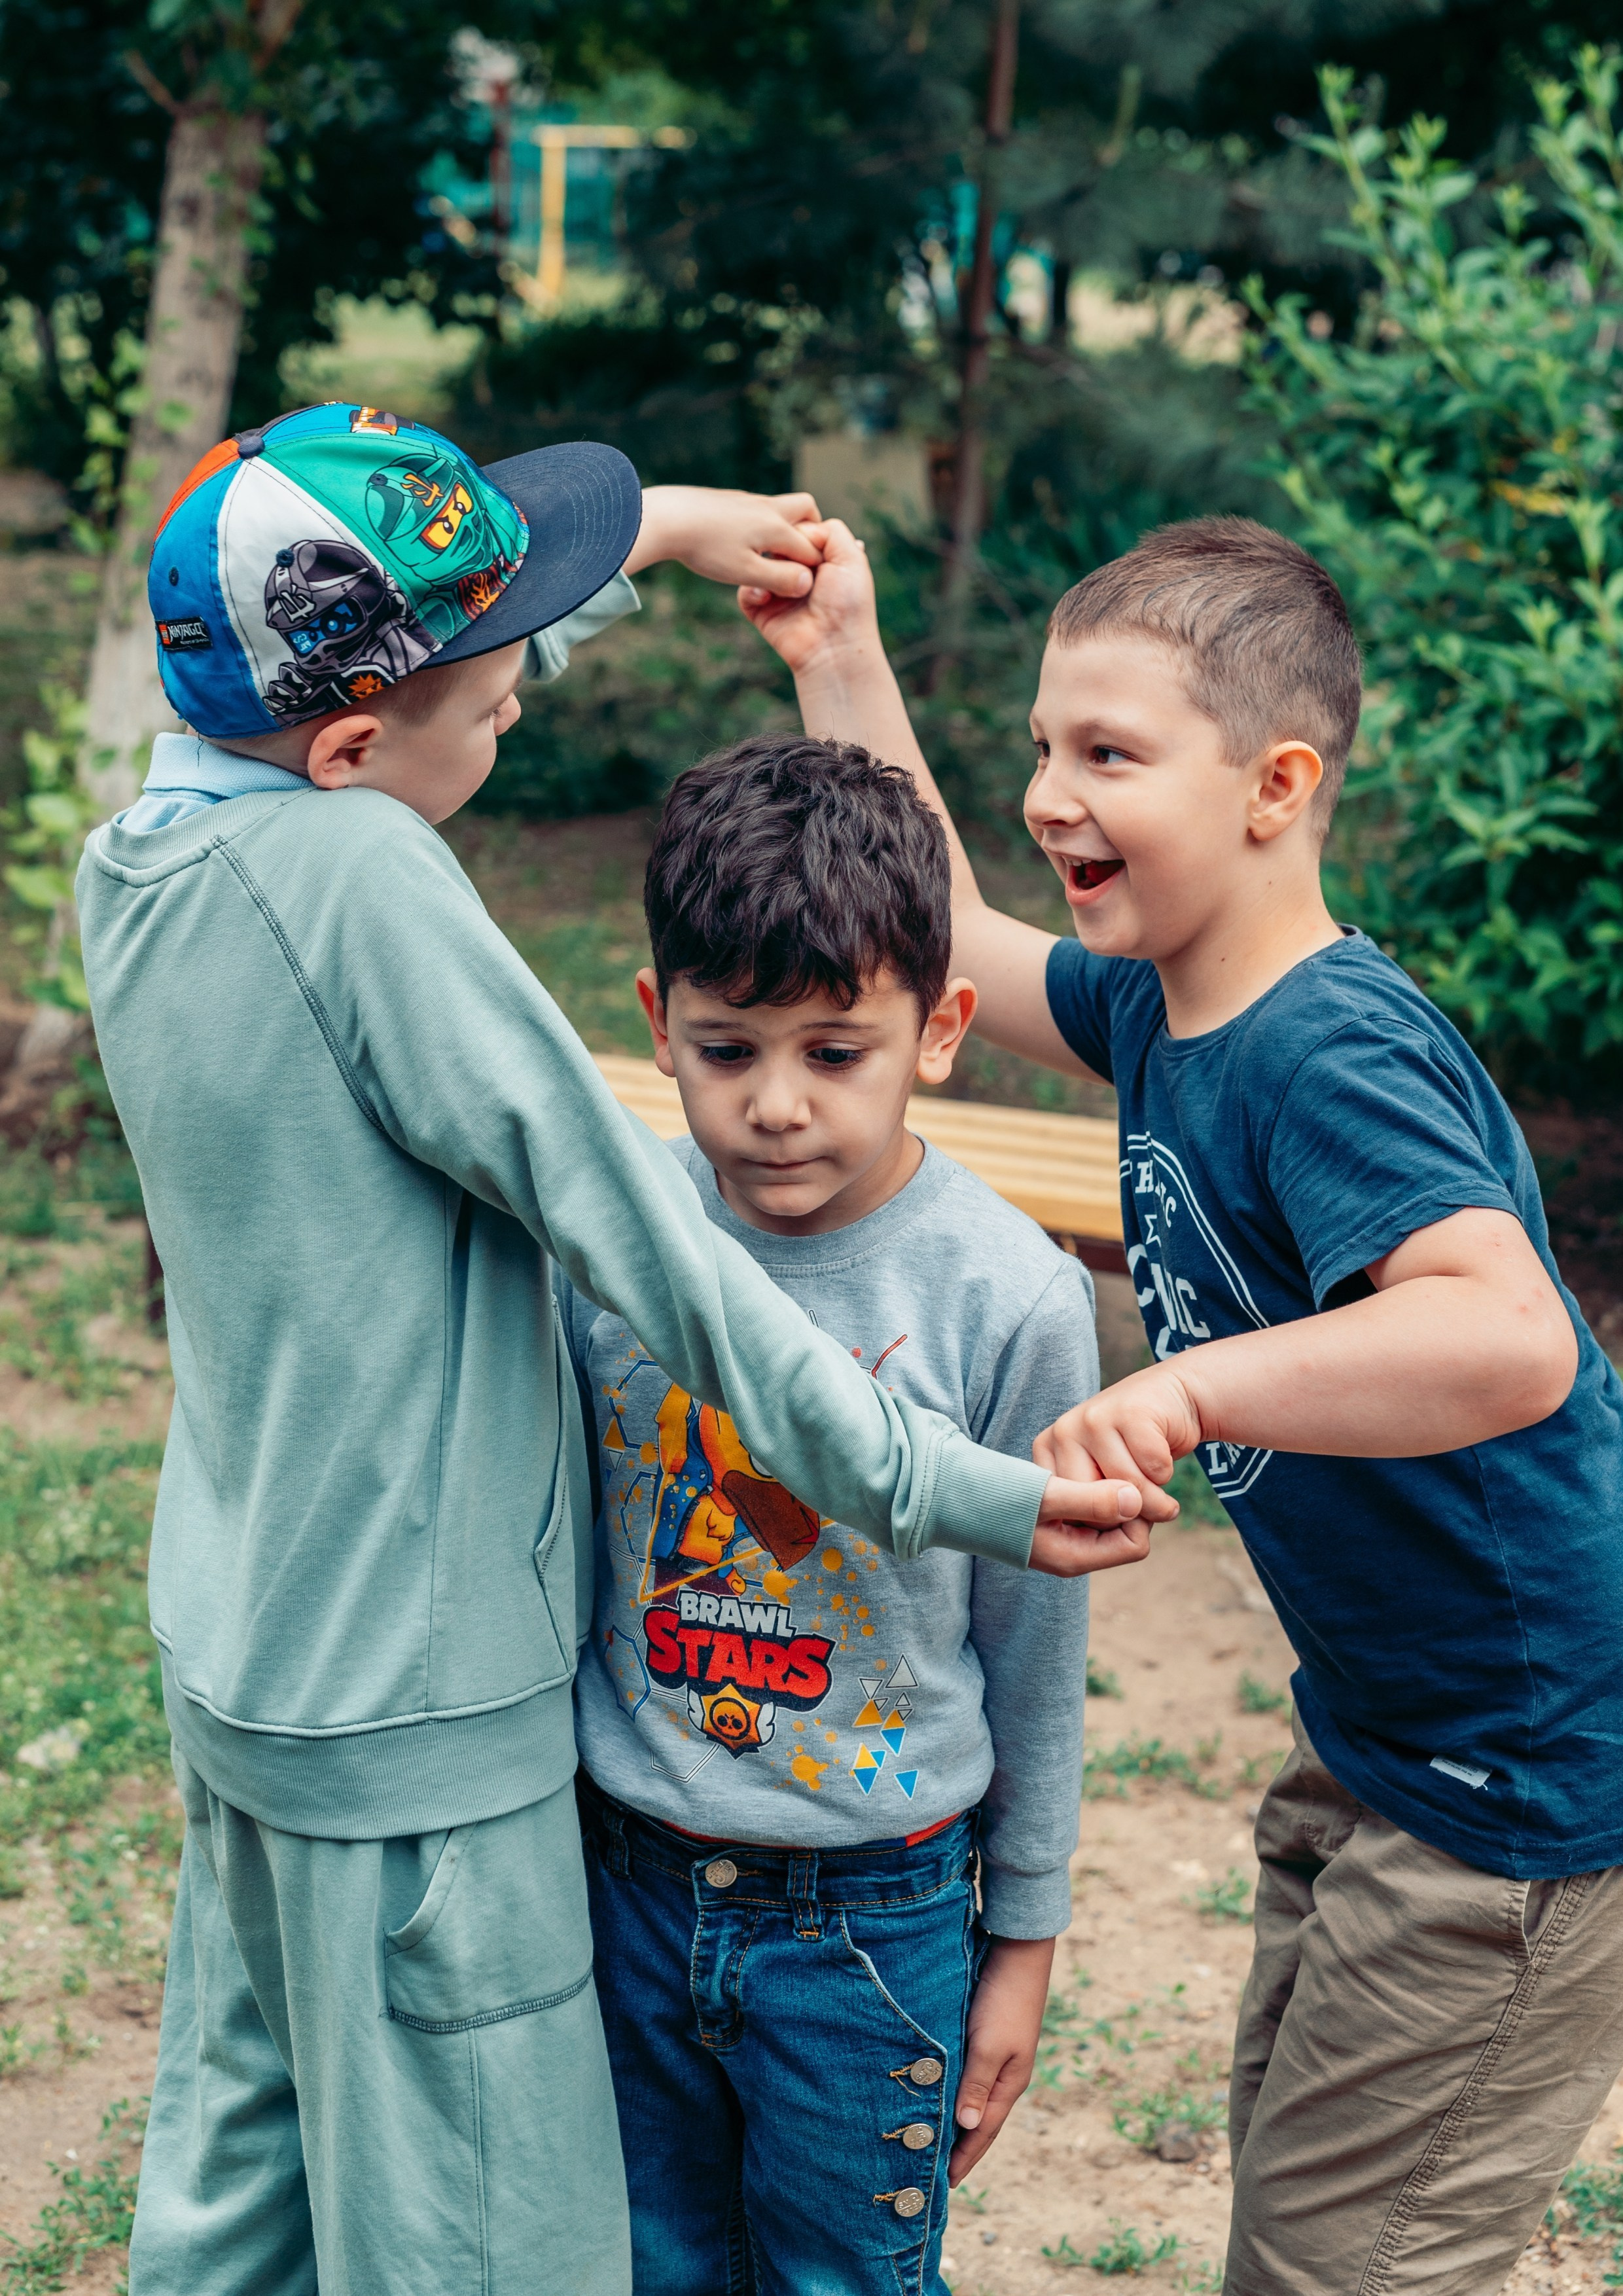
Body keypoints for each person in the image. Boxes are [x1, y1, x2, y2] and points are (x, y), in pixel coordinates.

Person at [79, 406, 1159, 2296]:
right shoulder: (364, 885)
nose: (519, 716)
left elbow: (404, 682)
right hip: (418, 1714)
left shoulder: (152, 849)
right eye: (498, 703)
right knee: (485, 2249)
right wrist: (954, 1484)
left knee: (238, 2211)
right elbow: (651, 1240)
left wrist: (660, 529)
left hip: (249, 1662)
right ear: (349, 752)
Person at [741, 512, 1623, 2296]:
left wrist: (1191, 1382)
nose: (1054, 792)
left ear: (1276, 783)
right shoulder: (1167, 1004)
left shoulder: (1326, 1047)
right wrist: (841, 649)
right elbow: (951, 928)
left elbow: (1511, 1335)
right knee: (1305, 2224)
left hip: (1511, 1781)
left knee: (1343, 2267)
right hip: (1389, 1737)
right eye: (1048, 747)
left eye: (1111, 754)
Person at [560, 734, 1106, 2295]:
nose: (777, 1107)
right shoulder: (613, 1238)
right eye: (728, 1049)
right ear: (659, 1024)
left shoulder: (1011, 1296)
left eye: (834, 1051)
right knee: (646, 2266)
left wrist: (1026, 1938)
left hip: (874, 1917)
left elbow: (1034, 1645)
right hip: (624, 1885)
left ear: (937, 1030)